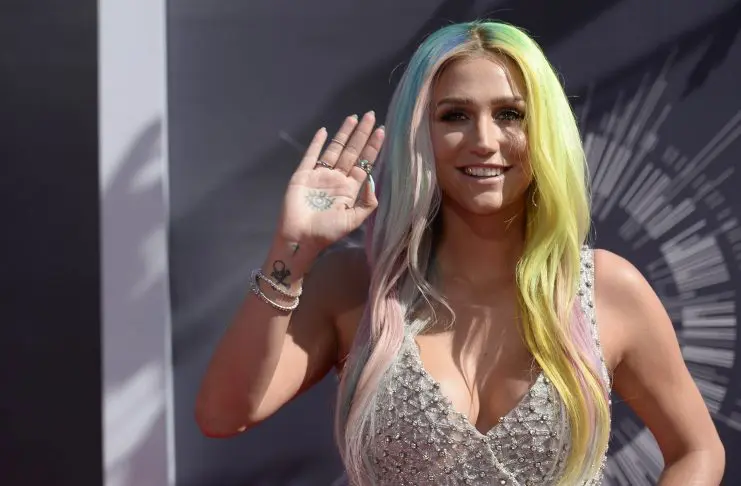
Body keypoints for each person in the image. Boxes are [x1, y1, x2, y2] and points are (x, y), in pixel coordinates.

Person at [195, 20, 725, 485]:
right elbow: (224, 414)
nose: (484, 140)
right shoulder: (355, 285)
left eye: (510, 114)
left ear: (544, 130)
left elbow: (698, 451)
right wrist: (293, 250)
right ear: (419, 133)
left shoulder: (607, 289)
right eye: (454, 116)